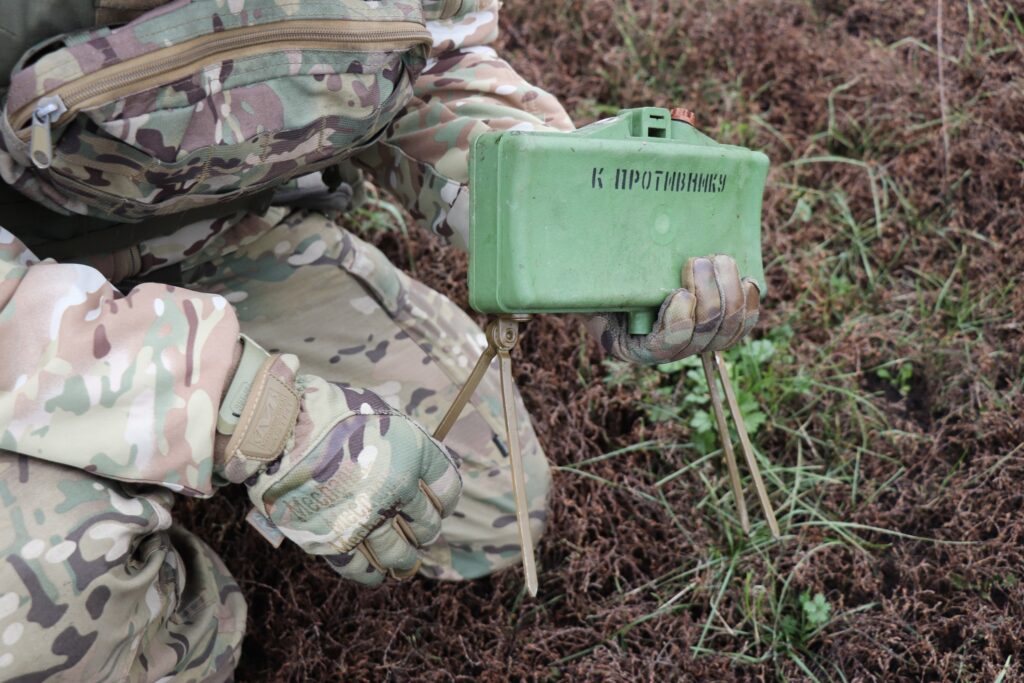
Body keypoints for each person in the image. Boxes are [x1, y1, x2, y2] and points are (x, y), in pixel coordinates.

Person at [0, 1, 761, 680]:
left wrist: (583, 240)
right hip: (20, 285)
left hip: (208, 239)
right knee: (54, 615)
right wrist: (251, 413)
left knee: (482, 497)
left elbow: (430, 59)